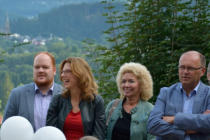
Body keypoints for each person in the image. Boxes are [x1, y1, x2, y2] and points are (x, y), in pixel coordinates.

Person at [147, 50, 210, 140]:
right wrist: (184, 131)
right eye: (182, 67)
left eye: (190, 68)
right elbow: (152, 125)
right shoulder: (166, 93)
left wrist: (175, 119)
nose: (185, 72)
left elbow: (208, 122)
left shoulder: (208, 94)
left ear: (202, 71)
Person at [46, 57, 105, 140]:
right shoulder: (57, 100)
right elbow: (50, 132)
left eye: (68, 71)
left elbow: (99, 135)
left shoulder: (96, 102)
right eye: (62, 72)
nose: (62, 75)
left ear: (80, 74)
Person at [3, 52, 62, 131]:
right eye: (37, 67)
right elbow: (6, 127)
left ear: (54, 70)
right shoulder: (17, 95)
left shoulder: (65, 94)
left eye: (45, 67)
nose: (40, 70)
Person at [105, 62, 155, 140]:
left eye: (131, 81)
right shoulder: (112, 106)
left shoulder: (150, 110)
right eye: (124, 81)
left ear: (142, 84)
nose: (126, 85)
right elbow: (103, 134)